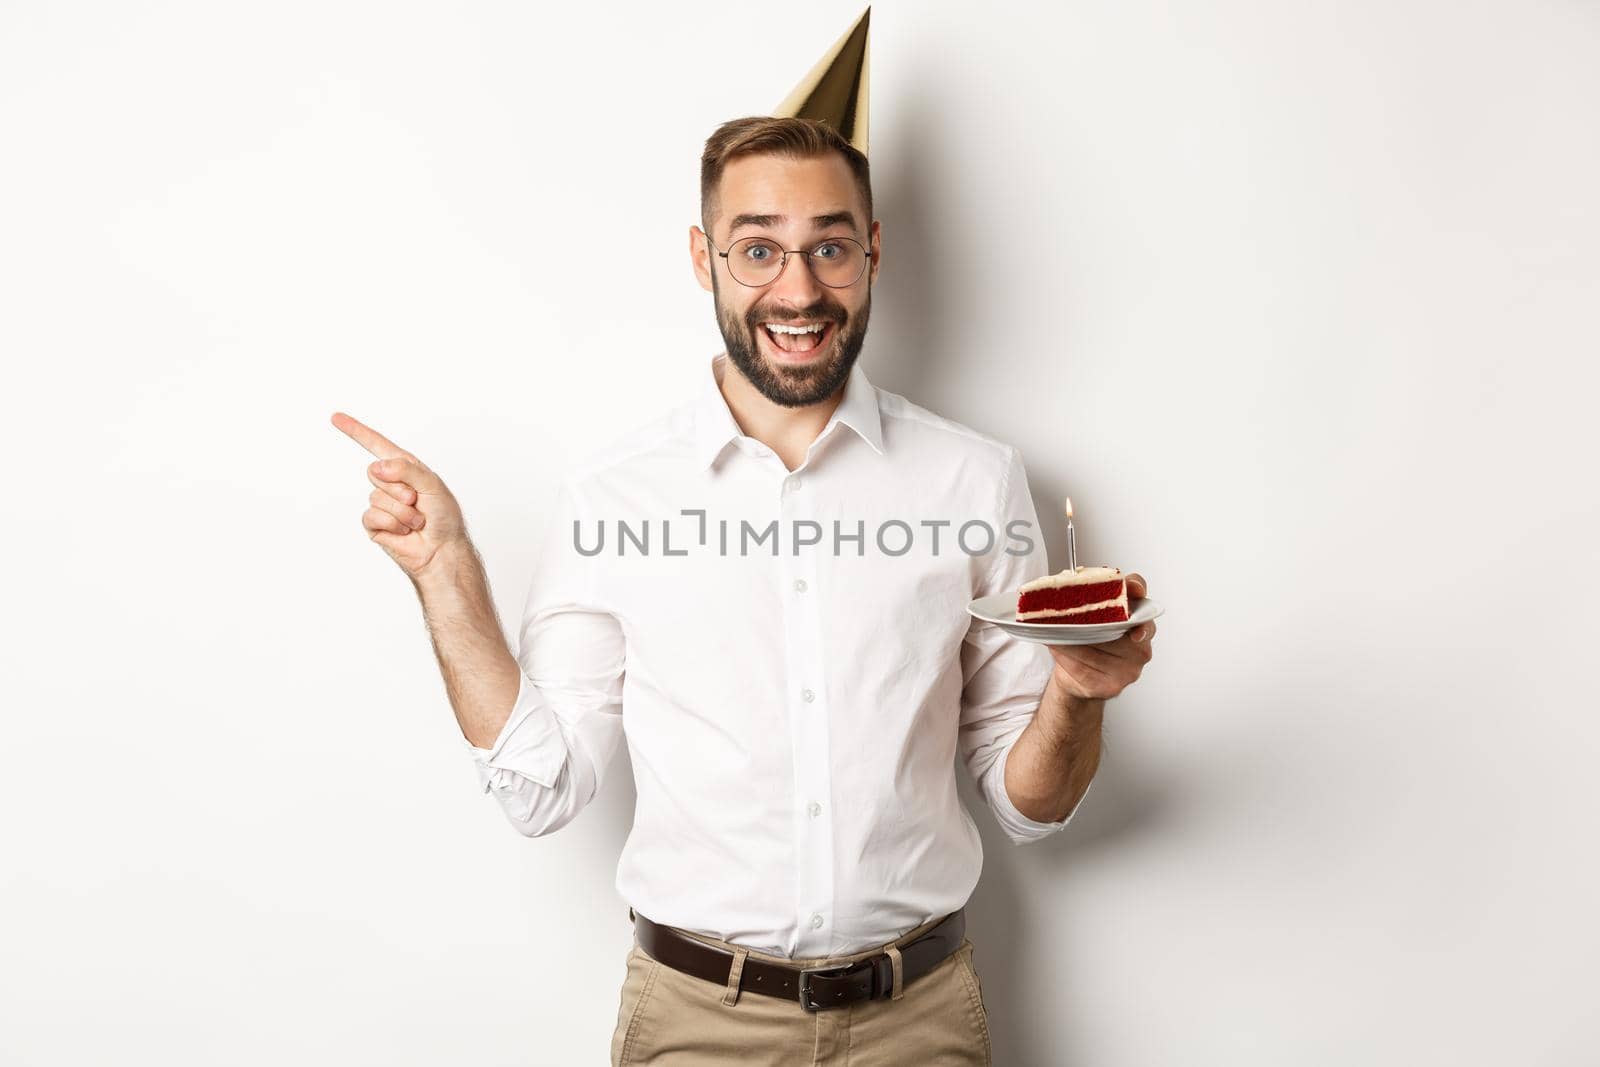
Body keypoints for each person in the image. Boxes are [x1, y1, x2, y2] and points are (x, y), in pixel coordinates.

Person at [332, 115, 1156, 1065]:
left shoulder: (974, 481)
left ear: (874, 251)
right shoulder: (615, 496)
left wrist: (1076, 695)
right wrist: (447, 576)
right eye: (758, 249)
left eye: (830, 248)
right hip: (696, 1027)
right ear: (703, 256)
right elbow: (544, 789)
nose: (798, 289)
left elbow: (1029, 805)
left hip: (919, 1025)